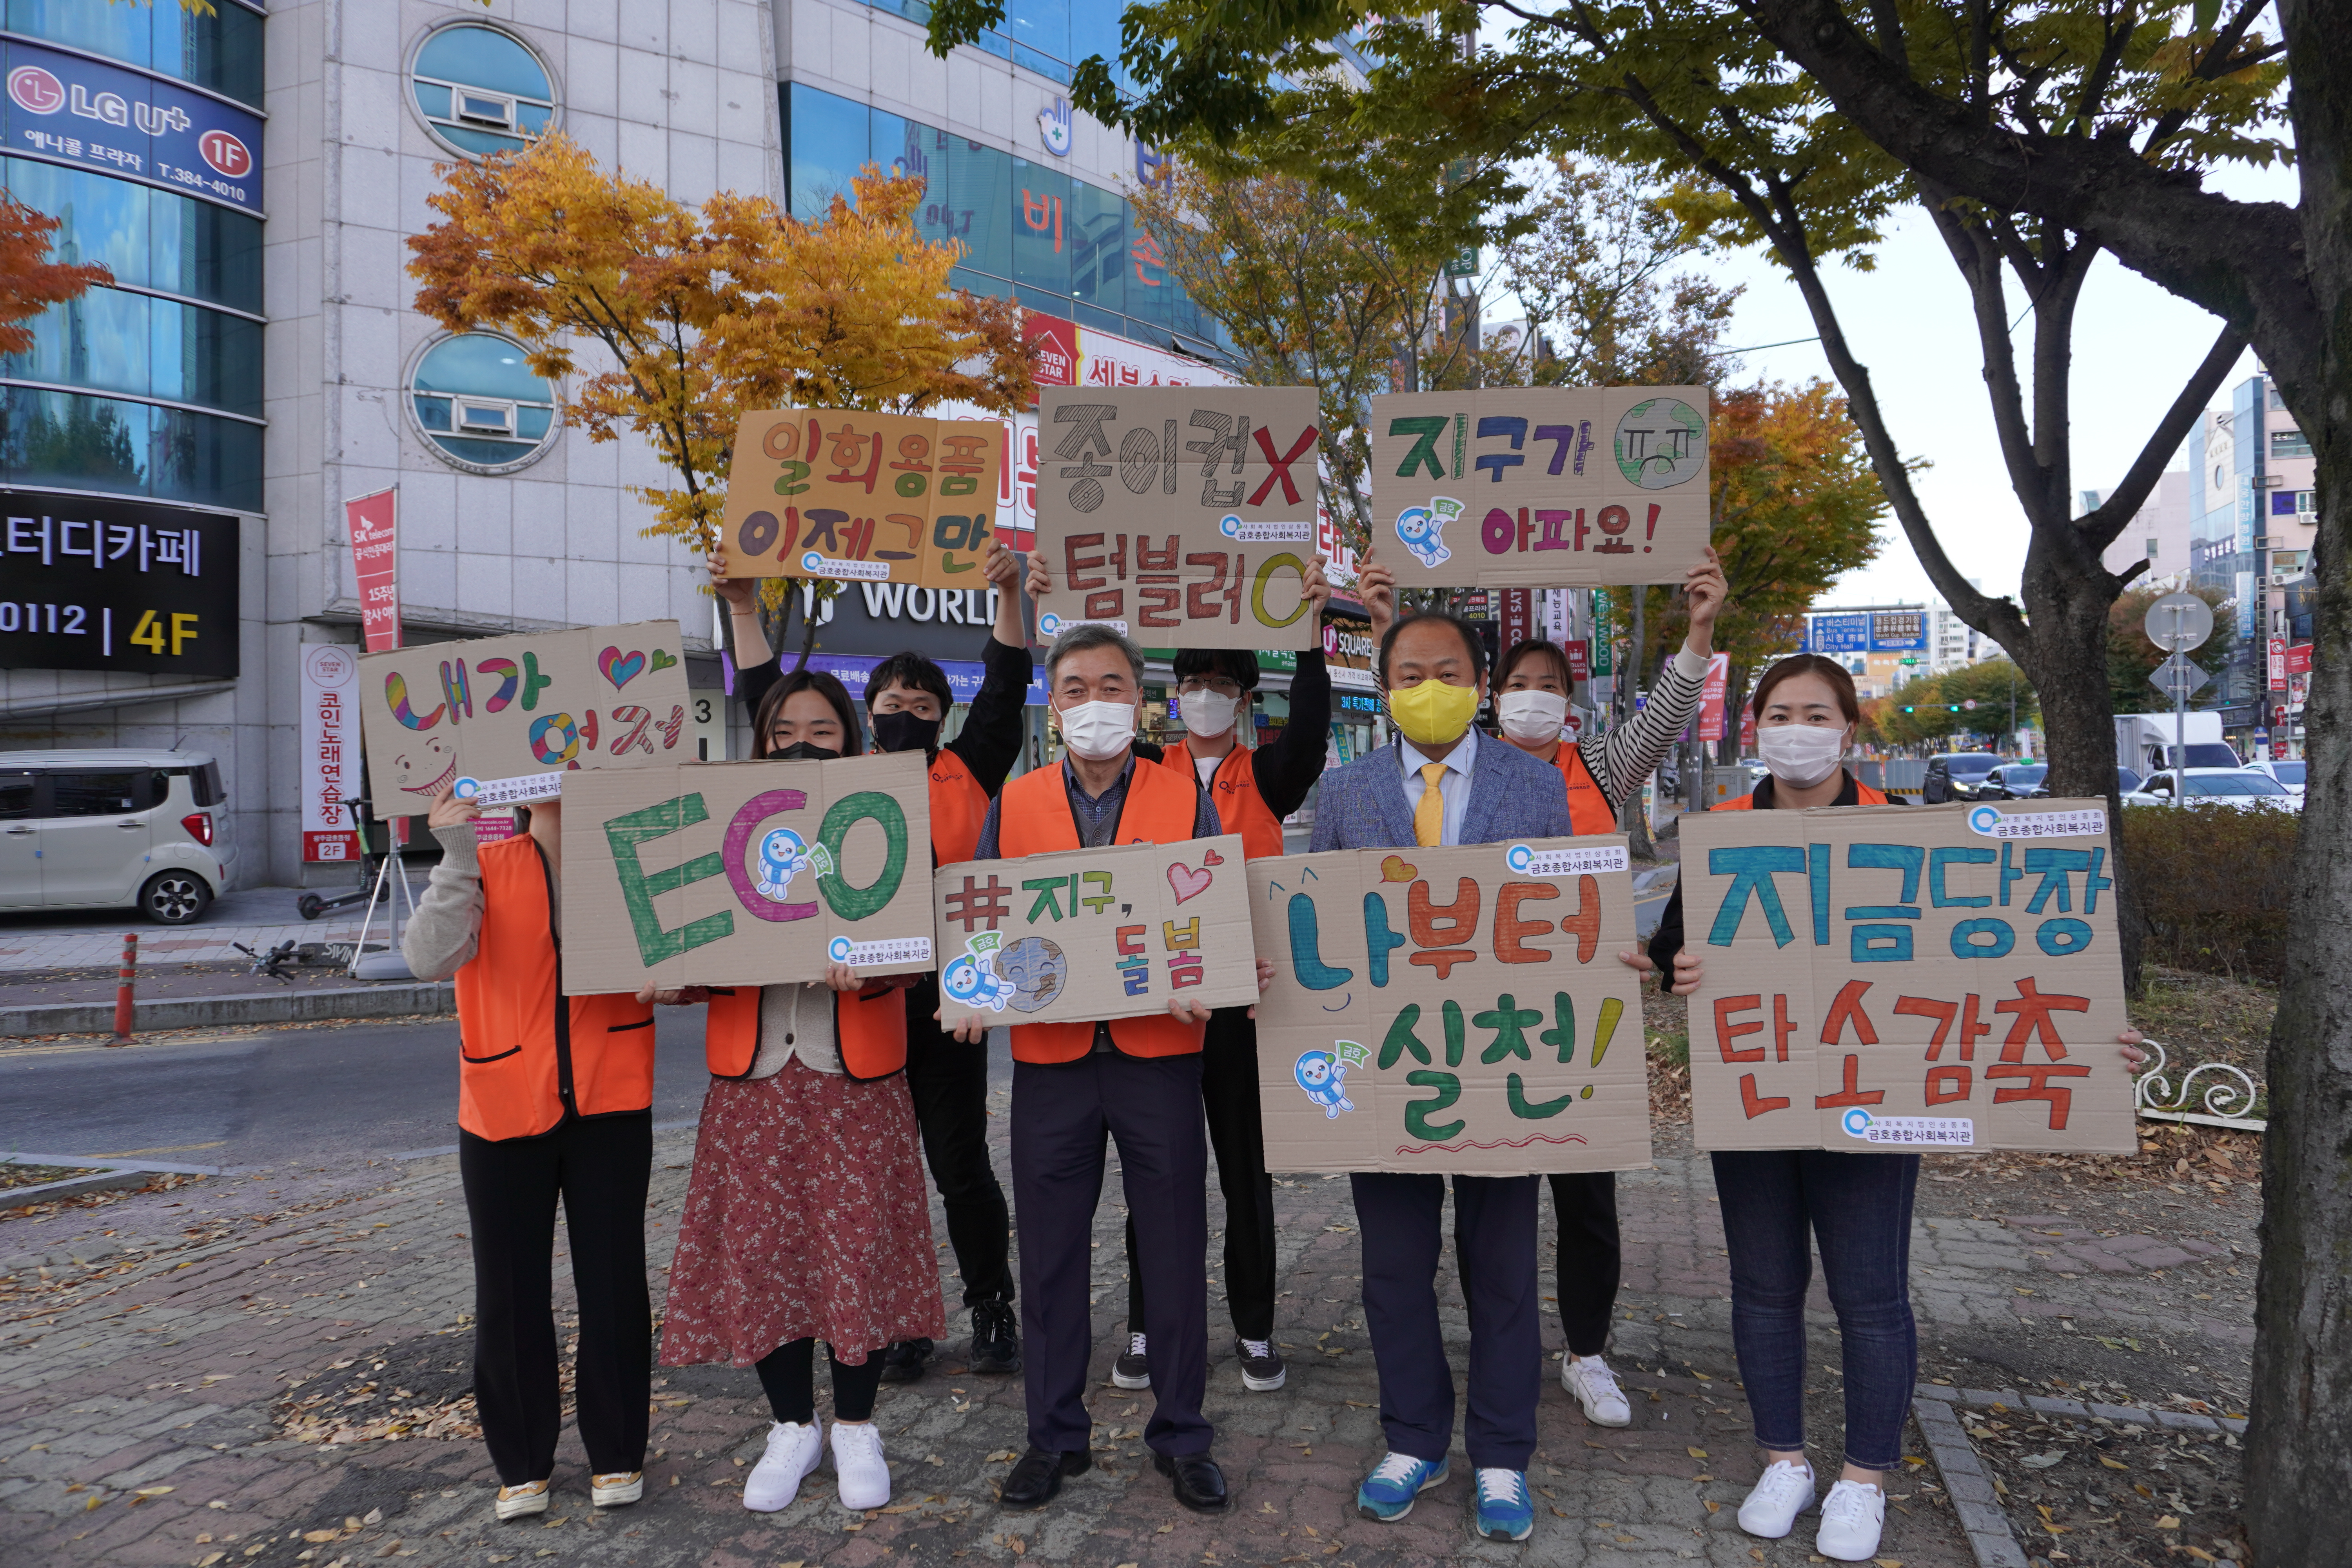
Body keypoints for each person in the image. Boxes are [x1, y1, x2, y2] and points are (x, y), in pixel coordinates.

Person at [1647, 653, 2149, 1563]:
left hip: (1875, 1099)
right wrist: (1680, 971)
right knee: (1763, 1288)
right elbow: (1677, 950)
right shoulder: (1717, 834)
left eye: (1817, 712)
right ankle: (1784, 1458)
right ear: (1754, 726)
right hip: (1759, 1091)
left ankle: (1865, 1475)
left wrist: (2083, 1038)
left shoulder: (1915, 832)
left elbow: (1992, 966)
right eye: (1779, 713)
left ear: (1849, 727)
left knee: (1869, 1292)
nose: (1796, 729)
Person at [1362, 545, 1730, 1430]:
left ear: (1569, 701)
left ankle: (1588, 1351)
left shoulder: (1598, 767)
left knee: (1587, 1201)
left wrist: (1701, 628)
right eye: (1518, 681)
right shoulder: (1457, 770)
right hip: (1467, 1028)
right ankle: (1472, 1362)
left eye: (1549, 683)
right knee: (1487, 1206)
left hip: (1578, 1026)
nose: (1533, 693)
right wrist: (1386, 628)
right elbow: (1411, 706)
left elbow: (1672, 705)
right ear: (1491, 692)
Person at [1308, 608, 1652, 1544]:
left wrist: (1610, 960)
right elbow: (1319, 930)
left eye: (1449, 669)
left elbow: (1566, 921)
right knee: (1393, 1270)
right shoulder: (1343, 792)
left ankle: (1502, 1454)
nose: (1430, 685)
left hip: (1501, 1066)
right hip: (1391, 1070)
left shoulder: (1535, 788)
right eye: (1410, 671)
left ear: (1481, 682)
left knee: (1501, 1271)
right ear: (1385, 688)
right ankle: (1414, 1435)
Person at [940, 621, 1256, 1517]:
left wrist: (1210, 977)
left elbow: (1210, 910)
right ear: (1054, 702)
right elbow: (987, 920)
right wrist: (968, 989)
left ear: (1139, 698)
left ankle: (1183, 1435)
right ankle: (1054, 1435)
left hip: (1159, 1055)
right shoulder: (1021, 798)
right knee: (1048, 1257)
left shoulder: (1179, 795)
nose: (1093, 702)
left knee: (1173, 1250)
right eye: (1074, 687)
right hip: (1053, 1063)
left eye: (1110, 684)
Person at [713, 539, 1030, 1383]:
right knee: (885, 1177)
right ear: (867, 708)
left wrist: (1011, 594)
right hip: (861, 1008)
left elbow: (1004, 688)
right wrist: (743, 608)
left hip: (950, 1002)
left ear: (941, 715)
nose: (908, 713)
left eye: (925, 704)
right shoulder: (836, 776)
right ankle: (903, 1320)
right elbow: (764, 699)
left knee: (960, 1167)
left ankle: (992, 1303)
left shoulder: (967, 769)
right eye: (893, 700)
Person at [657, 667, 941, 1516]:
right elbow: (693, 932)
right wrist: (676, 975)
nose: (804, 744)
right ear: (763, 740)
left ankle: (856, 1423)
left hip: (856, 1073)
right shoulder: (724, 826)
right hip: (753, 1078)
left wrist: (873, 972)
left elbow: (923, 947)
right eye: (787, 732)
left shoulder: (888, 819)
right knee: (763, 1253)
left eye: (823, 731)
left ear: (851, 740)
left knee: (856, 1248)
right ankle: (791, 1423)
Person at [1060, 557, 1334, 1397]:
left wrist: (1312, 640)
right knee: (1161, 1174)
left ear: (1247, 697)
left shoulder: (1268, 774)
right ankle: (1147, 1325)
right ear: (1170, 694)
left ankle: (1254, 1328)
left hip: (1245, 1010)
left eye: (1221, 682)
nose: (1206, 694)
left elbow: (1314, 735)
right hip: (1161, 1005)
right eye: (1192, 681)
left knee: (1245, 1171)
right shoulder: (1146, 768)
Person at [402, 785, 667, 1522]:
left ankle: (617, 1454)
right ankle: (521, 1462)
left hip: (611, 1100)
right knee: (510, 1292)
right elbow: (429, 957)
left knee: (614, 1285)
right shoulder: (483, 859)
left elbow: (685, 961)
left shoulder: (630, 862)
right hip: (501, 1104)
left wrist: (670, 977)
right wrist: (454, 856)